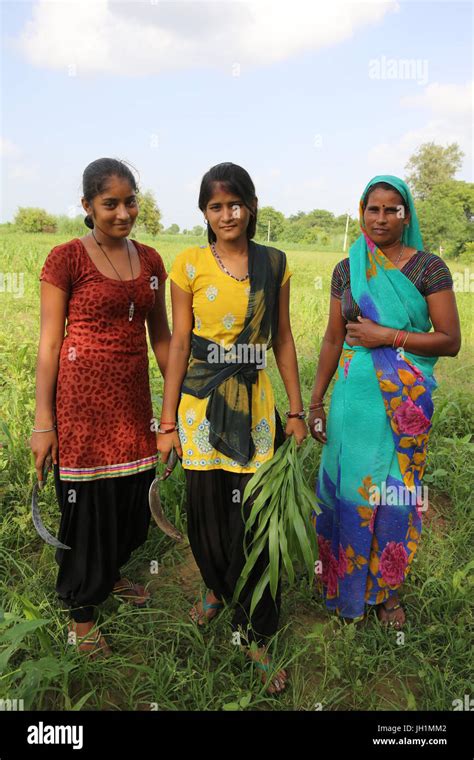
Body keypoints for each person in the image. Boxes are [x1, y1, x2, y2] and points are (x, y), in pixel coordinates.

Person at [157, 162, 307, 693]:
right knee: (205, 513)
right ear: (204, 212)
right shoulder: (189, 264)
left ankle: (256, 632)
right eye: (216, 206)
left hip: (255, 402)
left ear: (250, 206)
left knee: (253, 522)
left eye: (235, 204)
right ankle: (217, 590)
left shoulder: (275, 263)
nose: (227, 214)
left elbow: (283, 339)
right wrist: (166, 420)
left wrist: (295, 408)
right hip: (199, 406)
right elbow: (178, 344)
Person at [30, 158, 170, 656]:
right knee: (85, 505)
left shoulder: (151, 261)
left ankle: (108, 575)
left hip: (133, 401)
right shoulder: (66, 259)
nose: (122, 212)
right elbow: (49, 345)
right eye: (110, 203)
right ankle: (81, 611)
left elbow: (163, 339)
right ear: (87, 206)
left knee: (131, 497)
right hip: (82, 403)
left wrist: (177, 404)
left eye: (130, 201)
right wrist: (43, 423)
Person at [309, 175, 460, 629]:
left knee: (395, 495)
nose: (381, 218)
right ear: (362, 212)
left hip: (405, 404)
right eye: (373, 209)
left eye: (392, 209)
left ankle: (388, 595)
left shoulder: (429, 268)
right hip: (353, 404)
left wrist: (386, 336)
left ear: (406, 215)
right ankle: (342, 584)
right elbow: (334, 337)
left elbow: (450, 341)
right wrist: (315, 402)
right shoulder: (347, 268)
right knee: (350, 494)